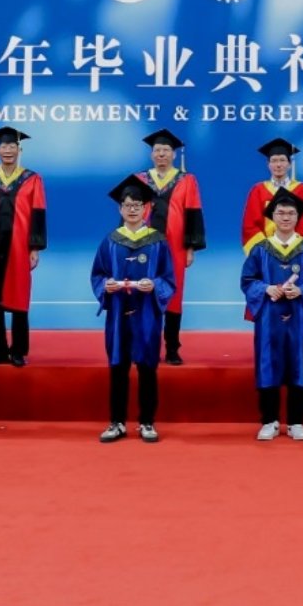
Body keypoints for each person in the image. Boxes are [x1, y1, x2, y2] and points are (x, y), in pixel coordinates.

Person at [91, 176, 176, 443]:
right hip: (118, 314)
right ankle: (116, 422)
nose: (132, 210)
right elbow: (98, 274)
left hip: (147, 314)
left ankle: (147, 422)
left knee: (147, 368)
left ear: (145, 208)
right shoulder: (110, 241)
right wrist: (106, 285)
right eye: (127, 205)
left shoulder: (157, 241)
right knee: (118, 367)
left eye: (137, 205)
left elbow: (168, 278)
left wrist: (155, 285)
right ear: (120, 209)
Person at [241, 189, 303, 441]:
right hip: (269, 318)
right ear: (272, 216)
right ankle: (269, 420)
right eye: (281, 213)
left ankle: (296, 421)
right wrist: (265, 288)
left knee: (298, 364)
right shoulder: (260, 250)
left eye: (291, 213)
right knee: (268, 364)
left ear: (298, 217)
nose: (286, 217)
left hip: (299, 318)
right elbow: (248, 280)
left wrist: (302, 290)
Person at [0, 126, 47, 368]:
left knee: (19, 295)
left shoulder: (32, 179)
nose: (8, 150)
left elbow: (38, 212)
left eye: (12, 146)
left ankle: (18, 351)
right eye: (4, 146)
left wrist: (35, 247)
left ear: (19, 150)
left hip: (19, 245)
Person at [138, 129, 206, 366]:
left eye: (166, 150)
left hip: (175, 246)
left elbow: (193, 213)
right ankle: (146, 347)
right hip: (144, 246)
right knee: (144, 293)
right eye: (157, 150)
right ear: (151, 154)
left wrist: (190, 248)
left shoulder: (187, 180)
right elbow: (129, 211)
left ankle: (172, 348)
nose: (161, 154)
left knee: (173, 296)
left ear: (174, 154)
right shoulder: (140, 179)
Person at [241, 137, 303, 254]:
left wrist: (291, 252)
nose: (278, 165)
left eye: (282, 160)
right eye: (274, 161)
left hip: (295, 254)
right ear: (268, 164)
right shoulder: (258, 191)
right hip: (266, 254)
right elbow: (250, 227)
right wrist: (267, 252)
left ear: (289, 164)